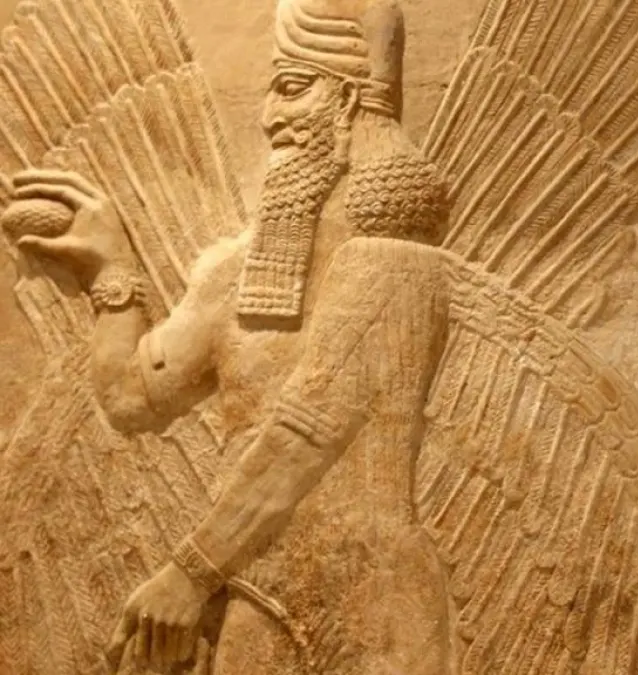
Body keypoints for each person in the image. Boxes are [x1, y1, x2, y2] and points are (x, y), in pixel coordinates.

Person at [13, 0, 455, 672]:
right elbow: (131, 399)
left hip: (375, 604)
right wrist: (112, 272)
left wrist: (188, 572)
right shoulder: (233, 273)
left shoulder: (396, 265)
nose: (269, 117)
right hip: (258, 592)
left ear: (348, 104)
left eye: (291, 87)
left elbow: (308, 429)